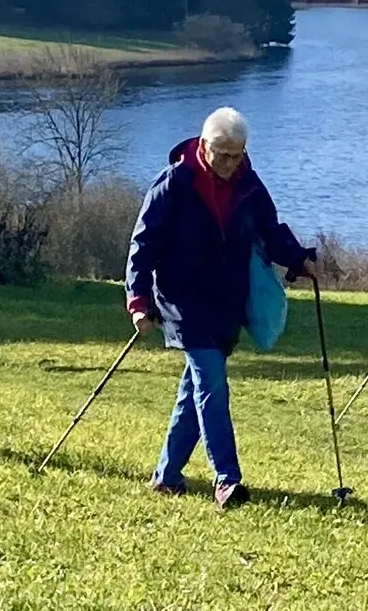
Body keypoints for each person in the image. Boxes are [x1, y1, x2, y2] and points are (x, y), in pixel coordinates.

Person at [127, 107, 317, 510]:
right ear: (204, 144)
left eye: (238, 154)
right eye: (223, 153)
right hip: (182, 301)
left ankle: (166, 477)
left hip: (227, 300)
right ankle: (227, 479)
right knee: (211, 384)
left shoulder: (248, 182)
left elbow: (270, 228)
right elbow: (142, 246)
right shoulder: (175, 183)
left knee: (194, 390)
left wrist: (297, 259)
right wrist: (139, 300)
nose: (231, 163)